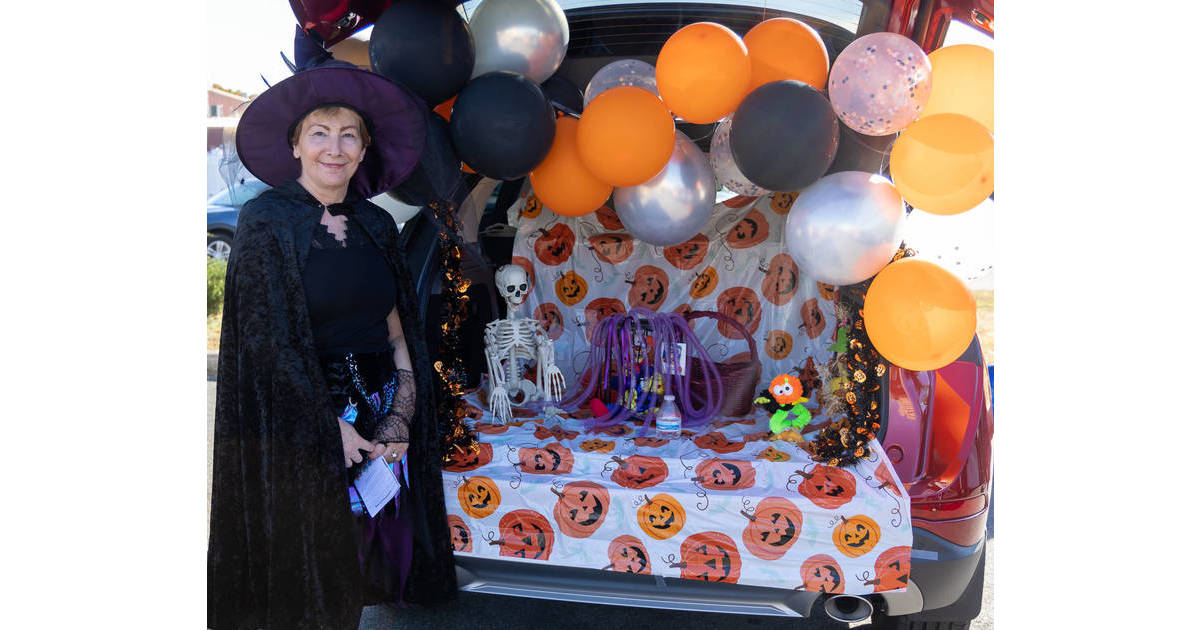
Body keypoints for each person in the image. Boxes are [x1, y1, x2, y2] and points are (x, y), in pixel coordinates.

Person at [207, 61, 456, 629]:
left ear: (365, 150)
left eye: (349, 135)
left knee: (371, 554)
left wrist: (400, 415)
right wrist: (327, 424)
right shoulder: (265, 220)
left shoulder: (375, 223)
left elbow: (398, 331)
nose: (334, 148)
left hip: (377, 407)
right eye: (319, 133)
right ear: (295, 146)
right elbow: (266, 344)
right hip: (301, 415)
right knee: (310, 570)